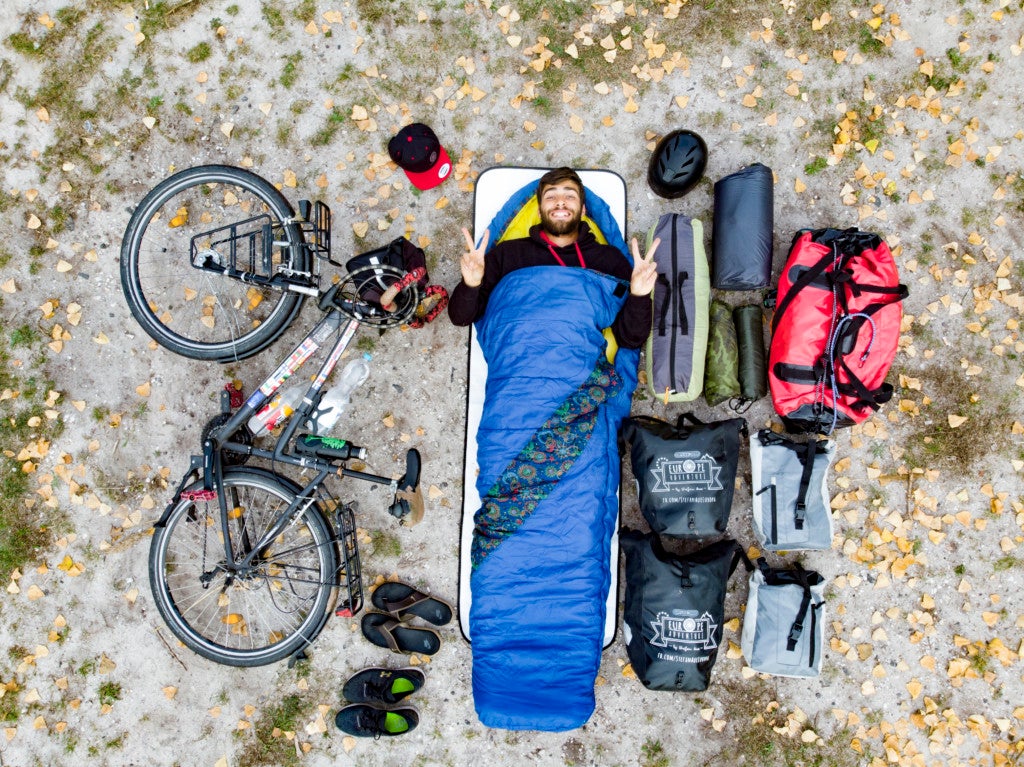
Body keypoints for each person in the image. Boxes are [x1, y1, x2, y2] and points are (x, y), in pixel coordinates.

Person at [447, 167, 658, 346]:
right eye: (551, 196)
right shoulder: (508, 254)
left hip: (581, 372)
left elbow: (630, 339)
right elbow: (460, 317)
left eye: (569, 195)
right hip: (518, 363)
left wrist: (639, 296)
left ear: (583, 210)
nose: (560, 202)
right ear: (539, 210)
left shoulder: (608, 260)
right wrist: (470, 285)